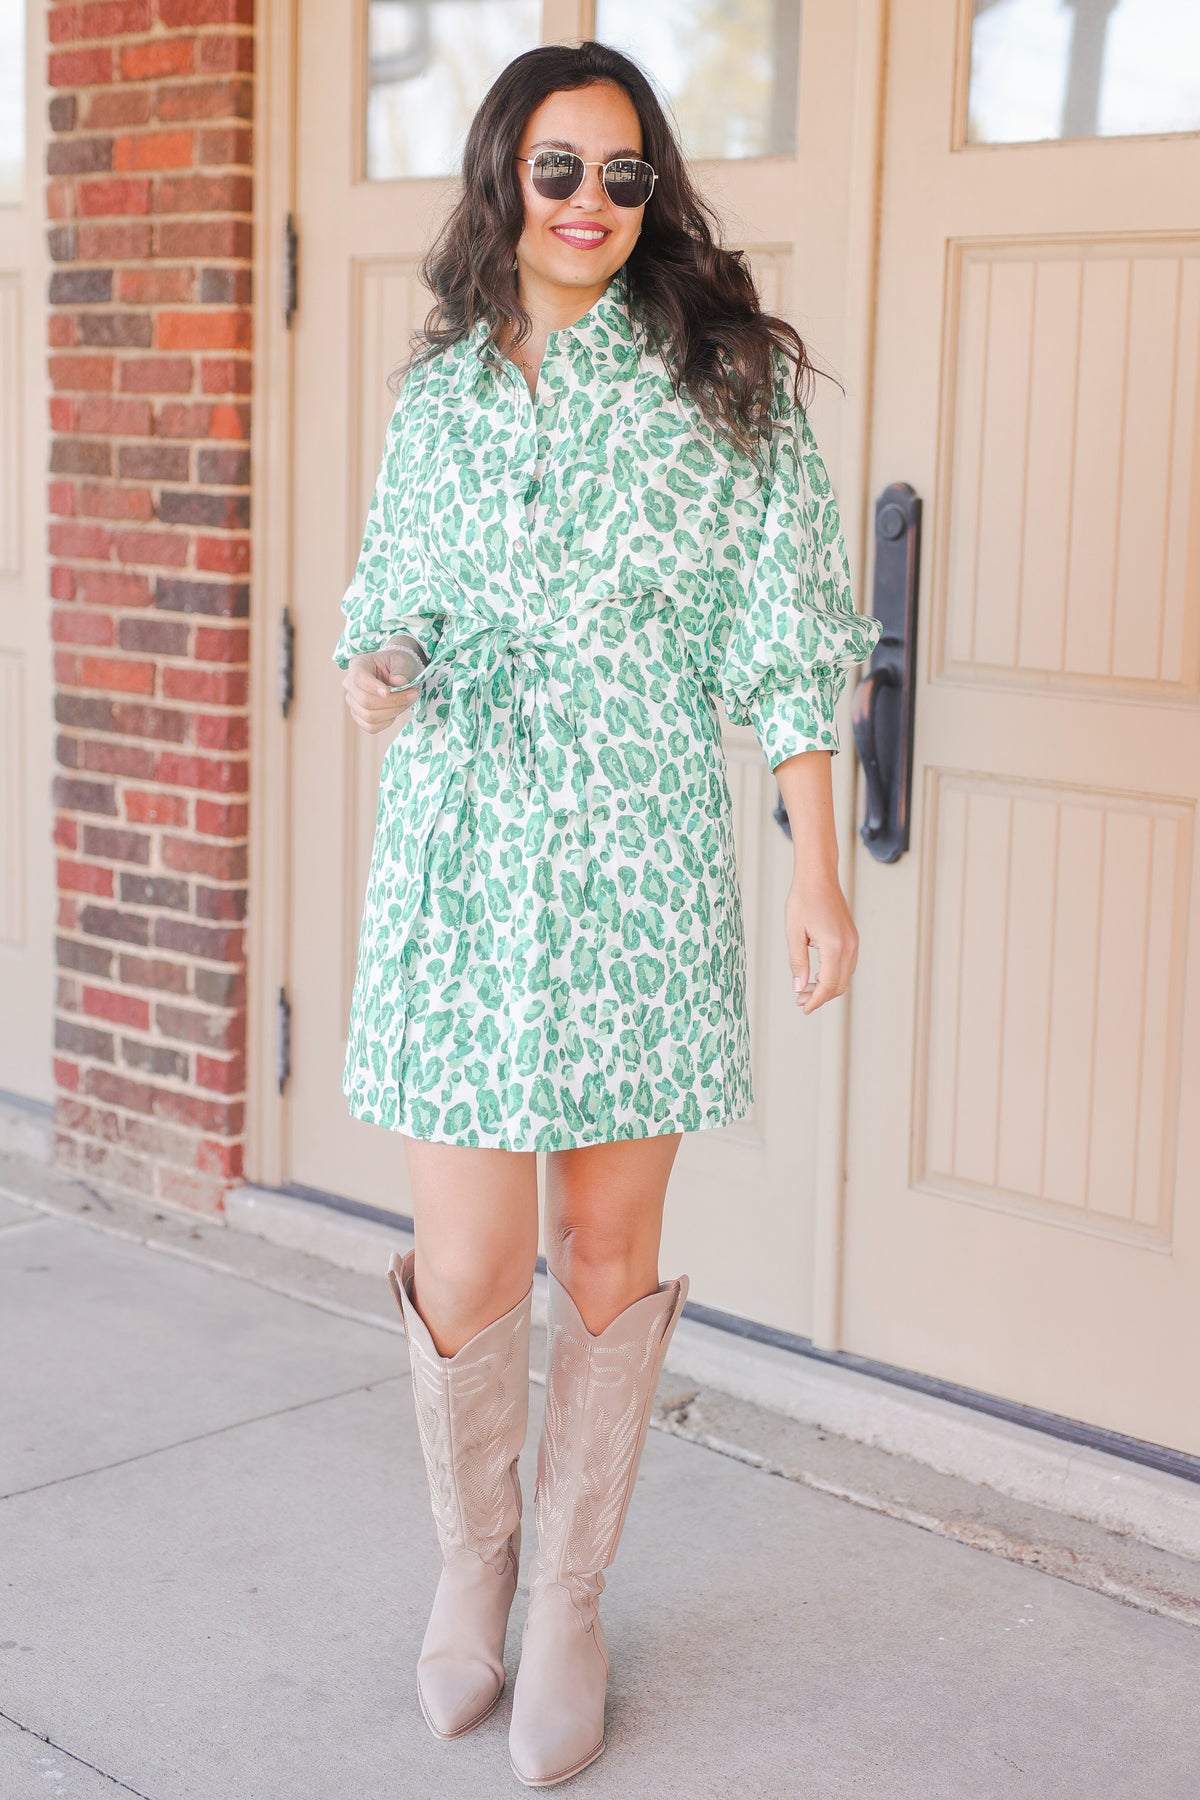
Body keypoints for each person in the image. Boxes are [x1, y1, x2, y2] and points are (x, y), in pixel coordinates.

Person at [332, 38, 881, 1790]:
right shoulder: (440, 396)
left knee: (605, 1258)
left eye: (625, 175)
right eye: (559, 170)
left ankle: (569, 1591)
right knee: (475, 1261)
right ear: (505, 180)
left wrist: (813, 867)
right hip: (459, 853)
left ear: (657, 194)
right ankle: (472, 1560)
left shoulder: (729, 386)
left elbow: (788, 640)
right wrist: (382, 661)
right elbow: (387, 590)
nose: (591, 205)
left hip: (639, 857)